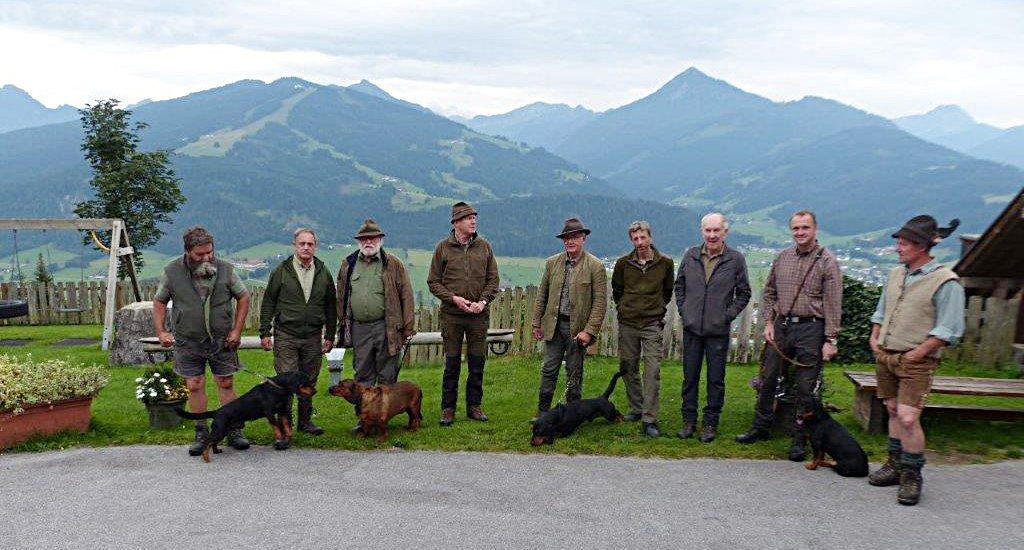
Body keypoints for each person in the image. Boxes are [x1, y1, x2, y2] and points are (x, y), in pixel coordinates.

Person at [868, 215, 964, 506]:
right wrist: (874, 337)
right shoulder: (896, 274)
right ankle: (895, 464)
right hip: (886, 354)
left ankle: (912, 474)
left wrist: (919, 352)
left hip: (916, 361)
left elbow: (949, 328)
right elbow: (881, 311)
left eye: (903, 243)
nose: (897, 248)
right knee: (892, 409)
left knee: (909, 418)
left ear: (922, 246)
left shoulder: (945, 281)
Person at [735, 210, 842, 461]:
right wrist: (768, 321)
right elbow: (769, 292)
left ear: (815, 229)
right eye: (796, 228)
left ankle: (800, 439)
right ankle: (760, 427)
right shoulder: (782, 257)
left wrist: (830, 339)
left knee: (806, 387)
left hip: (811, 328)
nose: (800, 232)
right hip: (782, 325)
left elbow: (833, 303)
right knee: (768, 378)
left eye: (805, 227)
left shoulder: (827, 261)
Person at [153, 226, 252, 456]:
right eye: (200, 254)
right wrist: (161, 332)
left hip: (222, 340)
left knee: (225, 383)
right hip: (188, 341)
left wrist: (237, 330)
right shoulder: (172, 271)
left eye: (210, 252)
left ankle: (233, 430)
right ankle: (201, 432)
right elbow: (159, 302)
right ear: (187, 251)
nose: (207, 257)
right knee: (194, 384)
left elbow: (244, 296)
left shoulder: (226, 269)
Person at [674, 213, 751, 443]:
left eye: (716, 230)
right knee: (690, 377)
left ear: (725, 232)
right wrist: (685, 311)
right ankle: (688, 420)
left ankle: (710, 423)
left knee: (716, 379)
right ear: (702, 231)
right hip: (692, 329)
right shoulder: (691, 255)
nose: (712, 235)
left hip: (718, 331)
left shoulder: (735, 259)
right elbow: (680, 286)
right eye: (708, 230)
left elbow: (744, 293)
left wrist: (726, 316)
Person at [336, 219, 416, 431]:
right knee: (362, 373)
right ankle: (364, 420)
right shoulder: (348, 264)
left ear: (380, 239)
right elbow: (341, 296)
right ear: (359, 241)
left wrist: (408, 328)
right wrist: (342, 324)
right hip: (359, 327)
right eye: (364, 239)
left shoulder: (393, 264)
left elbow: (406, 296)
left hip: (386, 326)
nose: (368, 242)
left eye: (372, 238)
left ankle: (383, 418)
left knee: (387, 374)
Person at [258, 227, 337, 436]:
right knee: (285, 382)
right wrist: (265, 332)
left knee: (309, 381)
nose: (306, 247)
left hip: (313, 336)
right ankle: (285, 424)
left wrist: (330, 335)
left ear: (315, 246)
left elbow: (331, 306)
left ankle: (305, 421)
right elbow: (268, 302)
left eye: (310, 244)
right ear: (295, 245)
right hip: (286, 335)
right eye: (302, 243)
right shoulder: (282, 271)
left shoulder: (323, 272)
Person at [428, 202, 500, 426]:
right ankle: (448, 409)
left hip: (478, 316)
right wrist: (453, 299)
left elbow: (493, 280)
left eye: (474, 217)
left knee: (477, 363)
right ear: (456, 223)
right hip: (452, 316)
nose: (473, 221)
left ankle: (474, 407)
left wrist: (483, 301)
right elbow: (433, 282)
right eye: (468, 218)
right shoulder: (443, 248)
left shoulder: (484, 247)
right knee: (452, 364)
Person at [531, 217, 608, 418]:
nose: (570, 241)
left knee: (574, 372)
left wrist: (589, 331)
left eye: (574, 237)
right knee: (549, 369)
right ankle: (543, 412)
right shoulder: (552, 263)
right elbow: (542, 295)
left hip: (577, 330)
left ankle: (573, 414)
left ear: (583, 238)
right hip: (554, 326)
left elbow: (600, 304)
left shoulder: (596, 266)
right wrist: (536, 323)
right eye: (566, 238)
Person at [611, 220, 675, 438]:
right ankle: (636, 408)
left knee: (652, 370)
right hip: (628, 322)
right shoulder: (623, 264)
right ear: (632, 240)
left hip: (651, 323)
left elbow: (667, 291)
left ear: (650, 237)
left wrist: (656, 309)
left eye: (643, 237)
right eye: (635, 238)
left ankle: (649, 419)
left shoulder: (665, 263)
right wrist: (624, 307)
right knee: (628, 366)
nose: (640, 242)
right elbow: (617, 290)